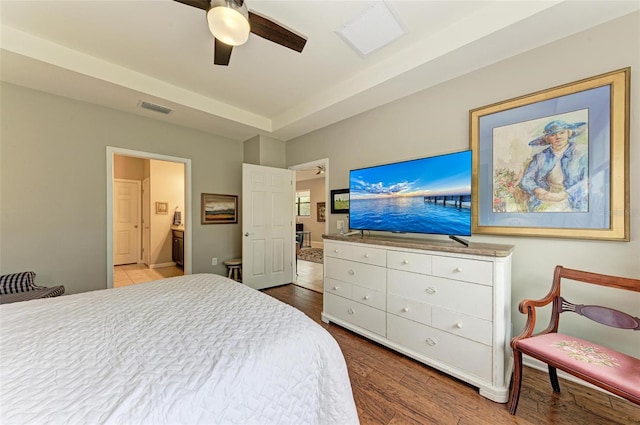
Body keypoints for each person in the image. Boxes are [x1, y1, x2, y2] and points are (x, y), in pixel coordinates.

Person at [519, 119, 588, 212]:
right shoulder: (540, 157)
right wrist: (537, 190)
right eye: (553, 134)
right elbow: (526, 179)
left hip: (573, 202)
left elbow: (587, 181)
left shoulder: (581, 153)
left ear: (569, 133)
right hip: (544, 200)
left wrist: (564, 195)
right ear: (547, 138)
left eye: (562, 132)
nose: (558, 137)